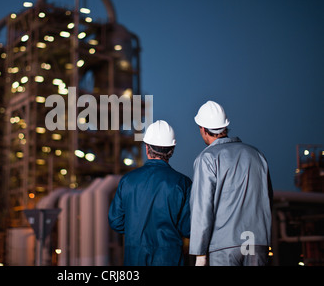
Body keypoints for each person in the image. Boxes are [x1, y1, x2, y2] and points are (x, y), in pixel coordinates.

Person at [189, 100, 273, 266]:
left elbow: (202, 208)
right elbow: (267, 198)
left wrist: (199, 253)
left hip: (224, 245)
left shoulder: (208, 158)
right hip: (258, 243)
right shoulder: (257, 155)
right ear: (225, 127)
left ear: (203, 129)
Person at [108, 120, 192, 266]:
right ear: (172, 150)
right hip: (170, 258)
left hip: (135, 258)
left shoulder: (127, 181)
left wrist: (135, 229)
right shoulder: (182, 183)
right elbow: (187, 228)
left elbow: (116, 221)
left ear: (147, 148)